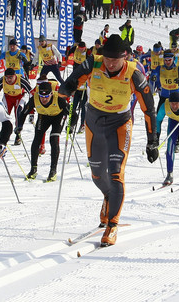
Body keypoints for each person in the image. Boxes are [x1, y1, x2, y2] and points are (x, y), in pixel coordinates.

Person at [59, 34, 158, 247]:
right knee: (96, 174)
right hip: (94, 121)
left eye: (115, 60)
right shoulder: (93, 63)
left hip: (120, 123)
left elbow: (148, 109)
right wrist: (64, 93)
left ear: (125, 57)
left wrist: (152, 140)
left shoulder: (134, 74)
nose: (110, 63)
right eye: (107, 59)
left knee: (115, 173)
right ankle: (107, 196)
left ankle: (112, 225)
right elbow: (71, 81)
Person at [18, 78, 70, 181]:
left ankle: (53, 170)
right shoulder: (35, 98)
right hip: (43, 117)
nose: (44, 99)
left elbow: (74, 114)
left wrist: (71, 125)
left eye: (46, 96)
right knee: (37, 140)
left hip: (57, 117)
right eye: (42, 96)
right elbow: (24, 112)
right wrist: (19, 126)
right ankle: (33, 169)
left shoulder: (59, 98)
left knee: (53, 140)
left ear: (51, 94)